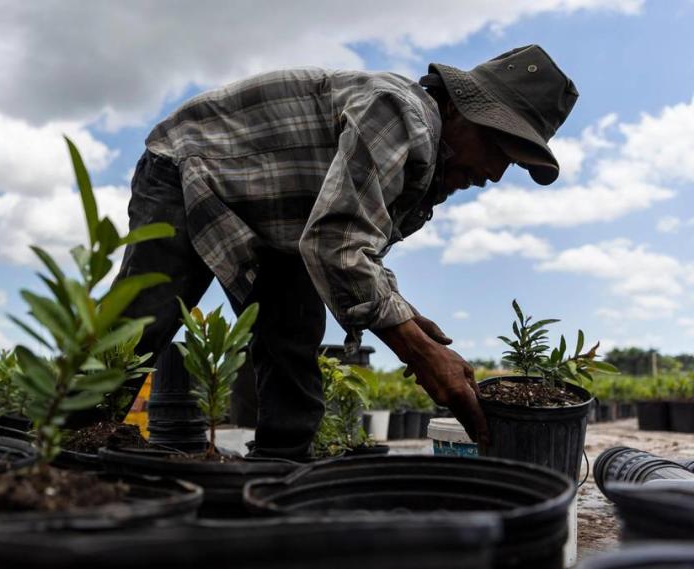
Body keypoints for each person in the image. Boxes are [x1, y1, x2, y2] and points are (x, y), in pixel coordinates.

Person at [108, 44, 578, 459]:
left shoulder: (426, 166)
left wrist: (409, 320)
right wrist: (417, 351)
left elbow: (352, 245)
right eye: (499, 148)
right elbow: (336, 243)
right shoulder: (400, 114)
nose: (495, 173)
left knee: (295, 328)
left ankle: (280, 467)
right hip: (187, 160)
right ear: (460, 110)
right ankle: (70, 441)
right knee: (143, 319)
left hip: (285, 216)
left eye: (511, 162)